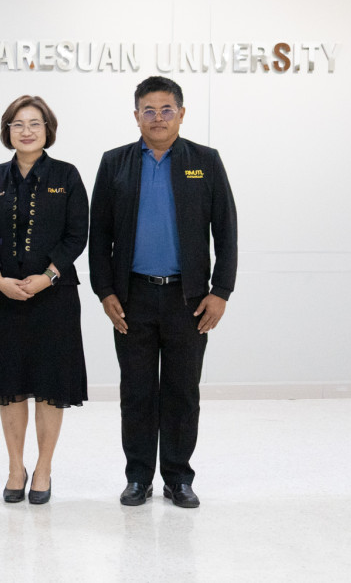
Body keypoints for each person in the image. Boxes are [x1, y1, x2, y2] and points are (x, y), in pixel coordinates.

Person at [89, 76, 237, 509]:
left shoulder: (204, 162)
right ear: (136, 116)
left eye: (166, 109)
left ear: (182, 114)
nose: (158, 118)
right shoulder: (114, 163)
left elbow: (226, 230)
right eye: (149, 111)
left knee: (182, 392)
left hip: (188, 301)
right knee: (135, 392)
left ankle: (178, 478)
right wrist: (104, 291)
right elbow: (99, 236)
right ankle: (138, 477)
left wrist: (221, 291)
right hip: (131, 298)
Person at [0, 95, 89, 505]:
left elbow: (77, 234)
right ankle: (15, 467)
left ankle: (44, 468)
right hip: (3, 298)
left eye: (35, 124)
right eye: (18, 124)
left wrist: (48, 276)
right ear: (7, 131)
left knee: (50, 386)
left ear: (47, 130)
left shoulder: (67, 175)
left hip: (54, 299)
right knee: (11, 386)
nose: (26, 131)